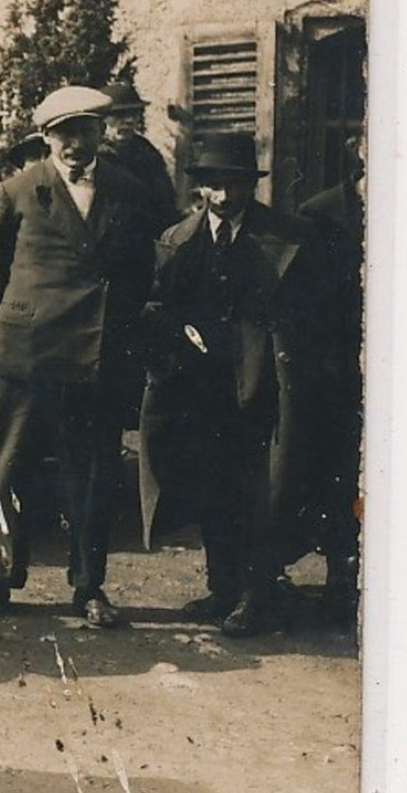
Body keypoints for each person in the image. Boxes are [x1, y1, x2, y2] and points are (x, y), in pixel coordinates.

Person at [0, 85, 163, 627]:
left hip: (95, 355)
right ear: (46, 137)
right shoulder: (17, 190)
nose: (75, 143)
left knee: (93, 474)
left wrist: (114, 328)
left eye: (86, 131)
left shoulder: (127, 189)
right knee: (9, 470)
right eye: (64, 132)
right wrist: (20, 322)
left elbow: (140, 270)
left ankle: (89, 587)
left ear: (101, 133)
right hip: (25, 357)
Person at [139, 132, 327, 638]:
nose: (224, 197)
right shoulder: (177, 239)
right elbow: (158, 309)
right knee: (210, 485)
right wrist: (176, 345)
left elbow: (312, 313)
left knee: (260, 490)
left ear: (250, 184)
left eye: (235, 186)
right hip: (200, 387)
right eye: (214, 187)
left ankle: (255, 593)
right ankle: (223, 586)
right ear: (200, 188)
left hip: (265, 384)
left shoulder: (287, 237)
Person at [294, 131, 365, 615]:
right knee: (342, 473)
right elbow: (312, 307)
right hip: (342, 369)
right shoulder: (318, 216)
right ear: (358, 149)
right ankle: (341, 574)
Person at [100, 81, 178, 222]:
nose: (129, 121)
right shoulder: (91, 156)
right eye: (120, 114)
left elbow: (165, 202)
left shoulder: (146, 151)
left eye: (134, 113)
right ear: (100, 120)